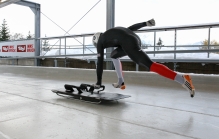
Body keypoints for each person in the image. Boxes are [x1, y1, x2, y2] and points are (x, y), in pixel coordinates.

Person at [92, 19, 195, 97]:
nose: (98, 48)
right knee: (114, 55)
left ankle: (182, 79)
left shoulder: (100, 41)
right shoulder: (110, 33)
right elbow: (130, 29)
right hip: (133, 38)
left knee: (149, 65)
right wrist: (145, 23)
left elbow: (100, 63)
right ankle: (121, 82)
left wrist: (98, 82)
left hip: (128, 42)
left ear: (96, 40)